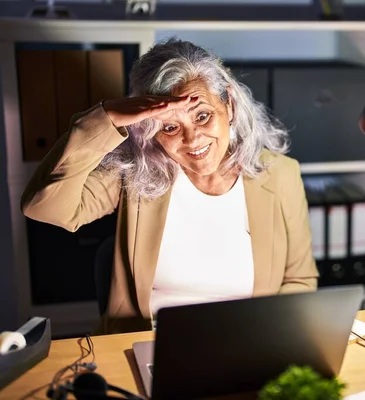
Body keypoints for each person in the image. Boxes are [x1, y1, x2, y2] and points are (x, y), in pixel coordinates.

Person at [21, 39, 319, 334]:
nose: (192, 140)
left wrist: (265, 341)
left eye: (202, 116)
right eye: (170, 127)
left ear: (228, 105)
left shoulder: (282, 175)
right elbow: (45, 208)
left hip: (248, 341)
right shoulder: (134, 173)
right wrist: (106, 117)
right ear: (151, 129)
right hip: (147, 341)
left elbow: (300, 281)